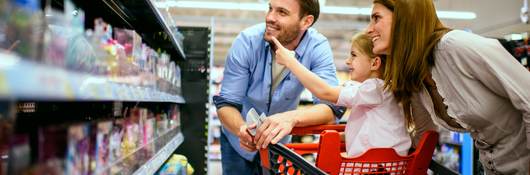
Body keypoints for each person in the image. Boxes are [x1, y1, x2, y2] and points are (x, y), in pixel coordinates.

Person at [366, 0, 530, 174]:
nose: (368, 29)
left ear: (405, 17)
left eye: (376, 18)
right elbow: (423, 132)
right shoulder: (418, 74)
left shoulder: (455, 46)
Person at [212, 0, 344, 174]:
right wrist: (241, 129)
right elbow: (226, 103)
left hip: (278, 143)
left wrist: (291, 118)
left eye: (282, 12)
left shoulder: (317, 47)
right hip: (239, 140)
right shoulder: (247, 42)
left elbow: (330, 108)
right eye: (270, 8)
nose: (269, 17)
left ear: (306, 21)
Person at [272, 32, 411, 157]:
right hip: (382, 164)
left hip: (378, 166)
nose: (347, 61)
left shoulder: (375, 88)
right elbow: (369, 132)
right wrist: (339, 137)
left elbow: (325, 92)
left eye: (354, 55)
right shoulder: (380, 91)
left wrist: (290, 62)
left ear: (375, 63)